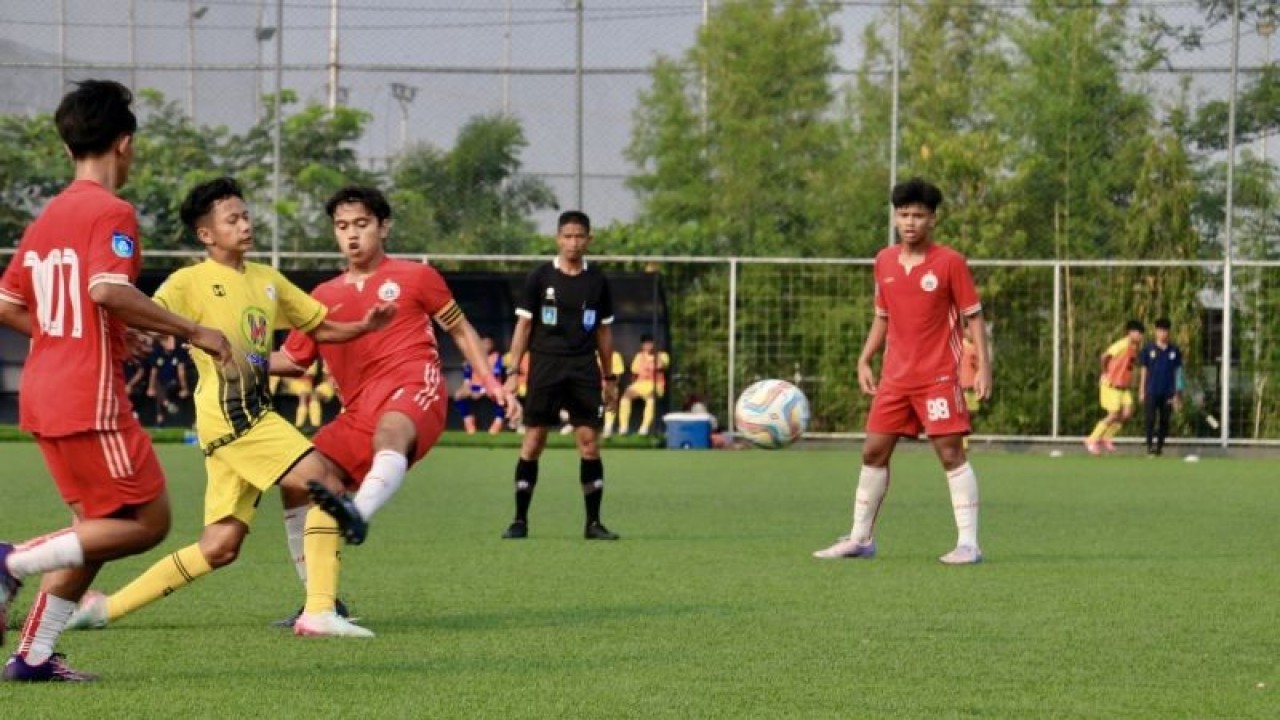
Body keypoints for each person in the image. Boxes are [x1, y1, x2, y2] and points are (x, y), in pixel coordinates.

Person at [65, 177, 391, 639]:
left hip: (244, 420)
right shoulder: (189, 281)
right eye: (232, 219)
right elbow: (141, 310)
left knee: (220, 546)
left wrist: (363, 325)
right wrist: (139, 334)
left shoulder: (268, 280)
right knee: (326, 480)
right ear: (206, 235)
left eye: (246, 216)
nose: (244, 224)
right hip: (233, 416)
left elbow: (321, 329)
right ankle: (319, 610)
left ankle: (104, 609)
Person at [0, 80, 233, 682]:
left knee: (93, 532)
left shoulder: (48, 215)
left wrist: (80, 330)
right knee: (147, 523)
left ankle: (33, 657)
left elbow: (6, 301)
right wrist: (195, 331)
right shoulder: (112, 211)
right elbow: (108, 289)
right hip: (88, 397)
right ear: (124, 144)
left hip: (43, 390)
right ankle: (9, 562)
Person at [273, 185, 520, 626]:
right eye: (342, 227)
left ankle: (359, 514)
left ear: (383, 227)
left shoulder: (417, 277)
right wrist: (228, 353)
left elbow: (461, 330)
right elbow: (291, 361)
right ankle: (320, 601)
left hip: (414, 387)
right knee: (296, 480)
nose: (352, 236)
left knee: (391, 431)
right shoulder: (321, 297)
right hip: (354, 413)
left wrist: (491, 383)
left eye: (362, 225)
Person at [813, 178, 990, 565]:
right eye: (904, 214)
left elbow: (973, 318)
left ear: (933, 220)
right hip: (895, 377)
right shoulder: (884, 261)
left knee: (949, 453)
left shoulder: (950, 263)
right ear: (895, 217)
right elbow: (882, 317)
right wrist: (864, 359)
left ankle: (968, 543)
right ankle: (861, 538)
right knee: (872, 450)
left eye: (919, 215)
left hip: (939, 377)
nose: (910, 222)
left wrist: (984, 368)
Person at [501, 210, 621, 541]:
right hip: (546, 366)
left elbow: (604, 334)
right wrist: (513, 371)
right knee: (534, 441)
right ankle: (519, 520)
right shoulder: (540, 277)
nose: (573, 242)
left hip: (583, 367)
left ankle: (593, 523)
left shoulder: (597, 281)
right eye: (567, 236)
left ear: (589, 240)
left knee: (589, 444)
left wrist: (609, 379)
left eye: (579, 236)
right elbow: (524, 326)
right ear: (557, 238)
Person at [1085, 320, 1145, 455]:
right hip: (1111, 385)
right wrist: (1105, 372)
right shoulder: (1122, 344)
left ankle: (1107, 437)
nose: (1140, 335)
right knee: (1113, 414)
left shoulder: (1135, 347)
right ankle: (1092, 439)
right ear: (1130, 333)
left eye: (1141, 333)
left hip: (1123, 387)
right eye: (1138, 332)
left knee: (1127, 413)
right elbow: (1105, 356)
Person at [1138, 317, 1183, 457]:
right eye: (1160, 331)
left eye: (1165, 331)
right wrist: (1141, 389)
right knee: (1150, 419)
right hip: (1152, 390)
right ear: (1155, 332)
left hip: (1168, 392)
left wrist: (1177, 393)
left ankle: (1159, 447)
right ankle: (1150, 446)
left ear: (1168, 332)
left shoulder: (1174, 351)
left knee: (1165, 420)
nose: (1162, 334)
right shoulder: (1148, 349)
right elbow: (1144, 370)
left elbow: (1178, 372)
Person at [615, 334, 669, 436]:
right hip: (640, 384)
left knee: (650, 397)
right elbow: (634, 371)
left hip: (656, 385)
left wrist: (655, 354)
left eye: (650, 343)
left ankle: (644, 428)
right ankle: (623, 427)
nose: (648, 346)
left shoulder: (662, 355)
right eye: (645, 343)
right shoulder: (639, 356)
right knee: (626, 395)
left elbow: (662, 365)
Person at [453, 336, 508, 434]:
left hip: (492, 387)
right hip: (475, 386)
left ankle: (497, 423)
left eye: (488, 343)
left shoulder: (496, 357)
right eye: (483, 343)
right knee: (458, 395)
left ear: (492, 345)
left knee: (501, 398)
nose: (485, 346)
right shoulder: (473, 357)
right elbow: (467, 377)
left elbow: (495, 376)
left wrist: (482, 391)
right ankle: (469, 422)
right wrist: (466, 388)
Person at [146, 334, 190, 426]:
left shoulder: (179, 351)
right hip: (161, 383)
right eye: (167, 340)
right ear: (162, 342)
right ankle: (166, 405)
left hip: (174, 382)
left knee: (164, 387)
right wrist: (150, 387)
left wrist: (184, 388)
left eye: (172, 339)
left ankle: (161, 416)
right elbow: (154, 372)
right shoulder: (157, 351)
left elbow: (181, 372)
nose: (171, 342)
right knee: (157, 386)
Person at [284, 360, 336, 433]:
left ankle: (313, 425)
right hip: (299, 384)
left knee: (311, 395)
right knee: (306, 395)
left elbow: (324, 378)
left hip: (329, 385)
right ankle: (301, 425)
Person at [959, 323, 981, 451]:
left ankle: (963, 440)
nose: (972, 333)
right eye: (969, 330)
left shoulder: (975, 348)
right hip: (962, 388)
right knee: (964, 415)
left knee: (972, 413)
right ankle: (963, 443)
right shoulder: (960, 346)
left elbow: (978, 366)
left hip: (972, 388)